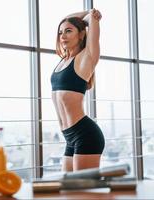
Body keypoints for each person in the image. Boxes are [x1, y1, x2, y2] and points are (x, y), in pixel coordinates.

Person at [50, 8, 105, 172]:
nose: (63, 36)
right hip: (69, 137)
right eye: (61, 33)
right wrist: (86, 11)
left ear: (81, 34)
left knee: (84, 193)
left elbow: (91, 20)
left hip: (85, 135)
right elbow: (66, 19)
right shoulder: (63, 61)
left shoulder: (86, 58)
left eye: (68, 31)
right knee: (68, 190)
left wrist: (91, 14)